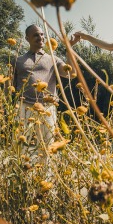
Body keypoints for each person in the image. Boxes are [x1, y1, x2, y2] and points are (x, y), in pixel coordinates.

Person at [12, 24, 74, 158]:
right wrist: (9, 108)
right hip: (24, 106)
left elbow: (70, 73)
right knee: (19, 144)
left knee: (47, 146)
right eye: (35, 35)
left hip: (47, 107)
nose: (40, 37)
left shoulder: (53, 59)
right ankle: (20, 176)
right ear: (27, 38)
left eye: (41, 34)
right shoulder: (18, 60)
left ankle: (45, 176)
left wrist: (69, 49)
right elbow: (9, 86)